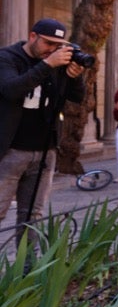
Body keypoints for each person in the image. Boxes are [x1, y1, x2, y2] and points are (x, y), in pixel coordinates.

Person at [0, 19, 86, 245]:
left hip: (45, 152)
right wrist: (48, 64)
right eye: (48, 43)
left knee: (32, 216)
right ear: (32, 36)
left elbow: (77, 97)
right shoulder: (7, 58)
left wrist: (75, 77)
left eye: (58, 45)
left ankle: (28, 265)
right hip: (10, 152)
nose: (52, 49)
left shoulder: (55, 62)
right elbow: (11, 90)